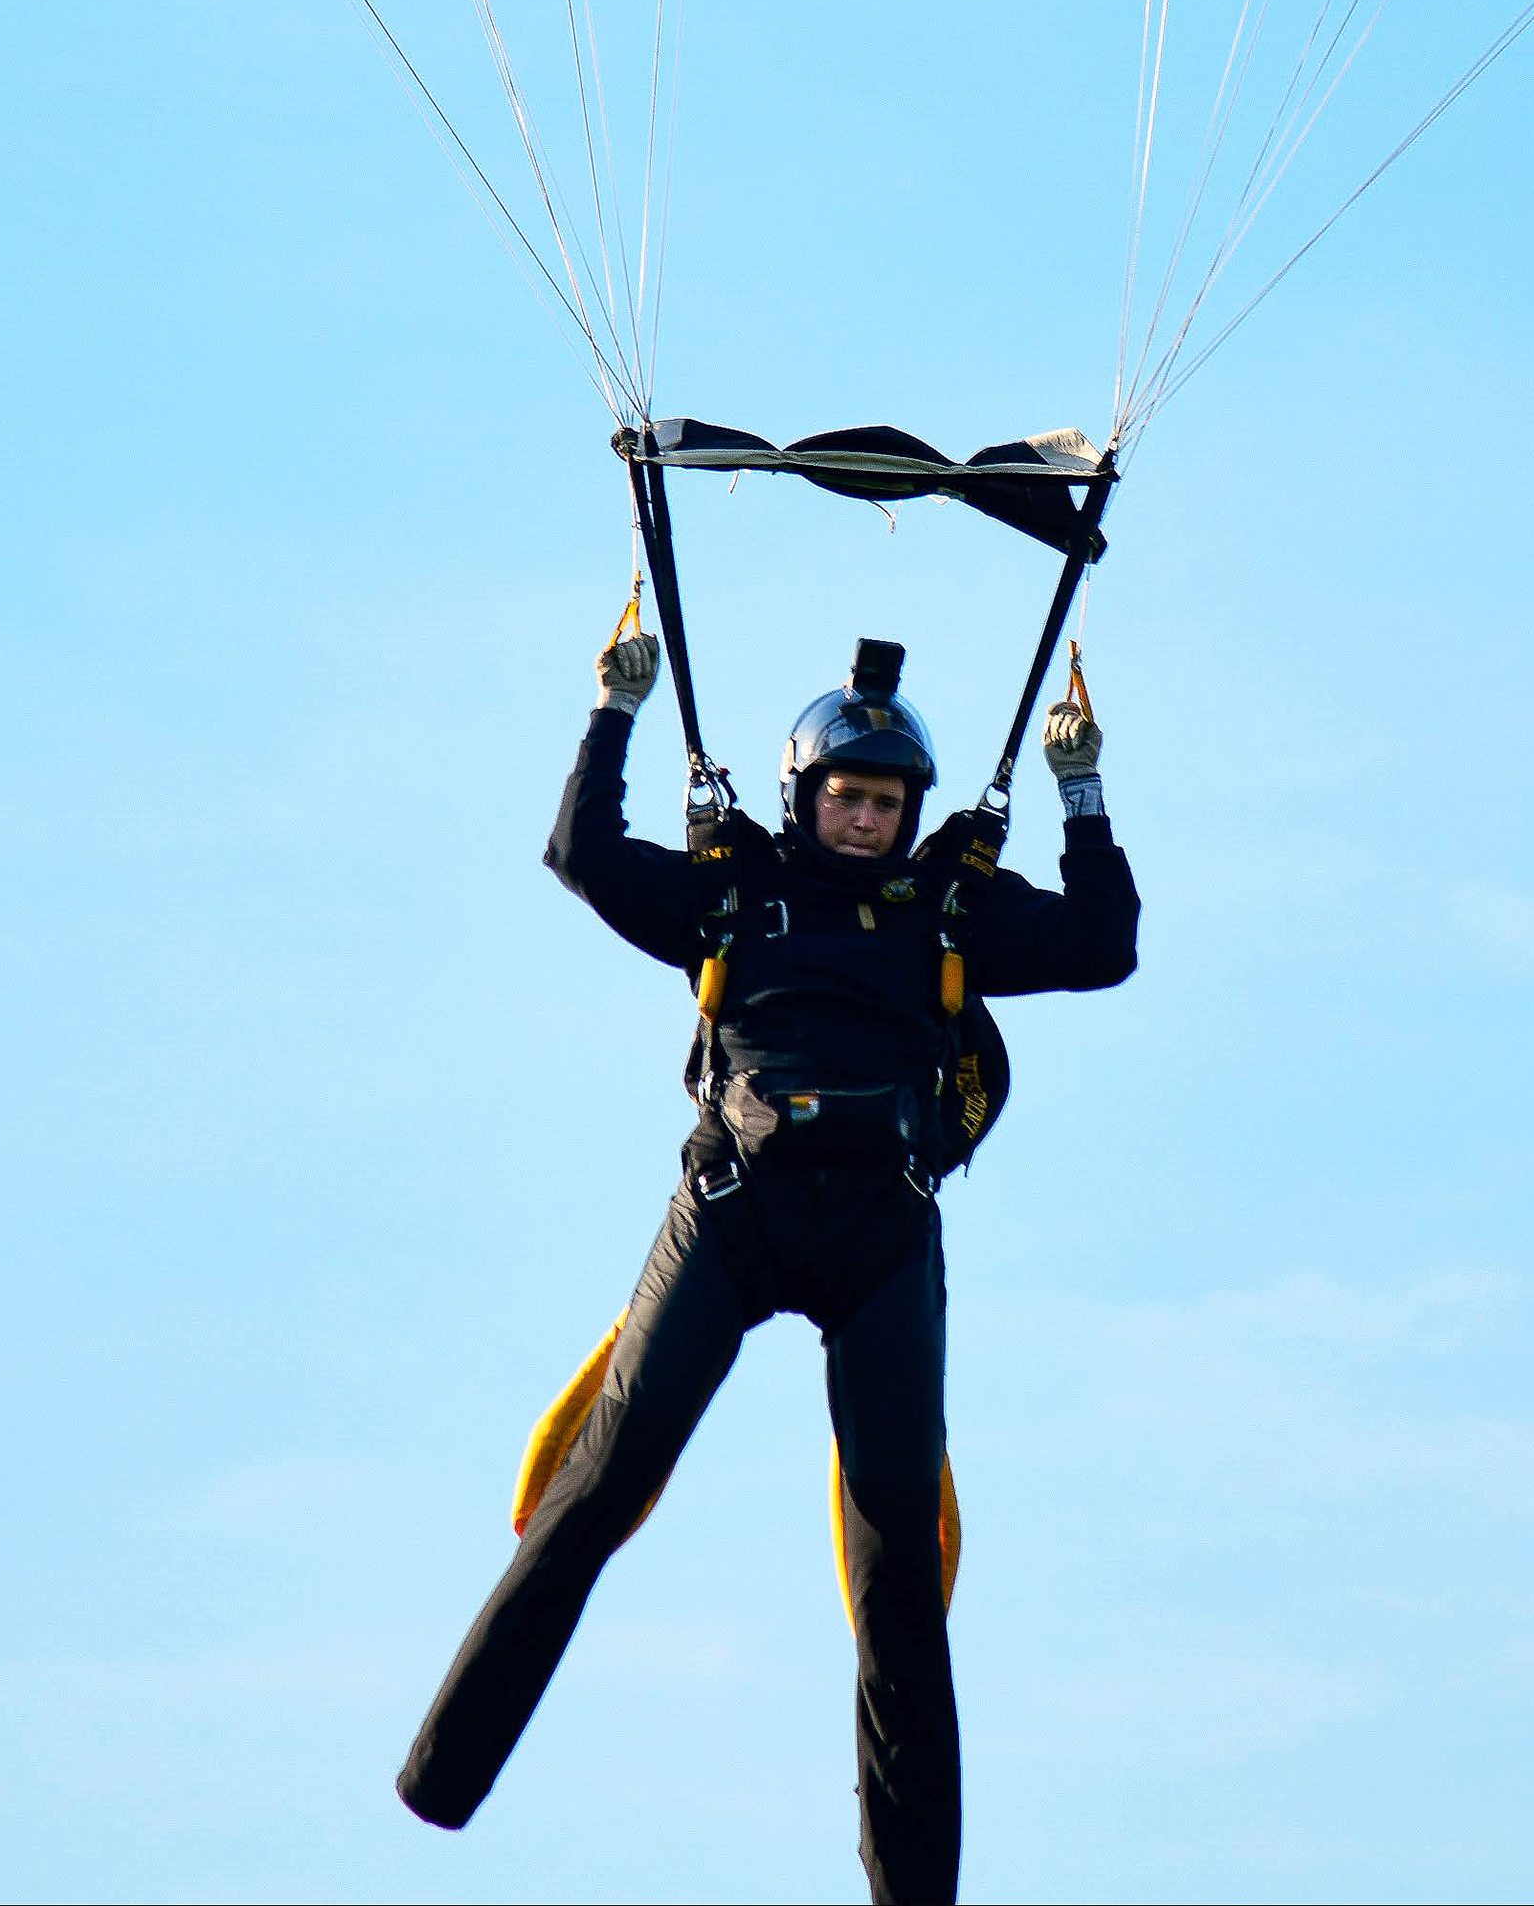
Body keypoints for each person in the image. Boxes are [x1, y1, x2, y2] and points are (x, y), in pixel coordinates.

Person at [396, 632, 1140, 1906]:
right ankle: (442, 1775)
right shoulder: (731, 892)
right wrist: (612, 713)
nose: (867, 822)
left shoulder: (948, 907)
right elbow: (583, 857)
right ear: (804, 796)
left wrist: (1083, 796)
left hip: (881, 1233)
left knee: (899, 1572)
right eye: (848, 799)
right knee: (602, 1481)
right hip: (733, 1213)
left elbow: (1100, 945)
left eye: (888, 804)